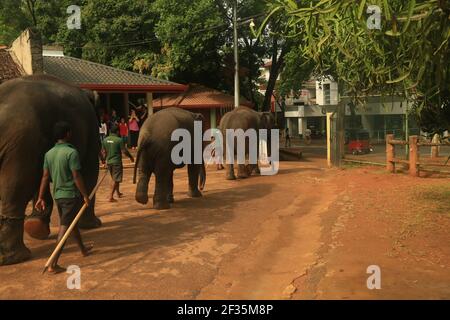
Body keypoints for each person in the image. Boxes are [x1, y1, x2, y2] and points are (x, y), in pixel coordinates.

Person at [35, 122, 93, 274]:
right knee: (64, 228)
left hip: (58, 197)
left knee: (70, 224)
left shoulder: (49, 154)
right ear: (67, 134)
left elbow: (45, 177)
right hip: (71, 196)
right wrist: (85, 195)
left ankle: (83, 249)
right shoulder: (71, 153)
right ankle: (53, 263)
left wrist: (40, 197)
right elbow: (76, 176)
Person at [102, 125, 134, 202]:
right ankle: (110, 196)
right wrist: (130, 157)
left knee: (114, 177)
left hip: (109, 162)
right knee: (115, 179)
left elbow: (104, 152)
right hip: (116, 162)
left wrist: (103, 161)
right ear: (117, 132)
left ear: (110, 131)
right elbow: (124, 151)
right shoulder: (119, 140)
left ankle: (118, 192)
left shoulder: (105, 140)